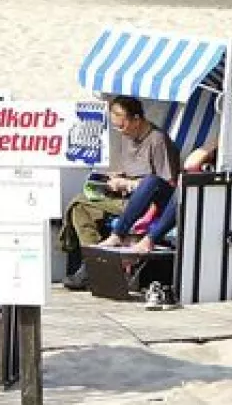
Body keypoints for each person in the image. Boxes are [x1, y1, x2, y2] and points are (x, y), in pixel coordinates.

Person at [59, 95, 179, 290]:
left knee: (149, 182)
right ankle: (95, 264)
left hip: (147, 202)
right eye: (116, 127)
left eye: (122, 126)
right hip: (124, 198)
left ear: (137, 120)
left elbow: (167, 182)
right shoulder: (128, 137)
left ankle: (99, 261)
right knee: (78, 206)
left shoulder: (157, 140)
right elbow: (132, 169)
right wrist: (114, 179)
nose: (120, 131)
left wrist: (128, 184)